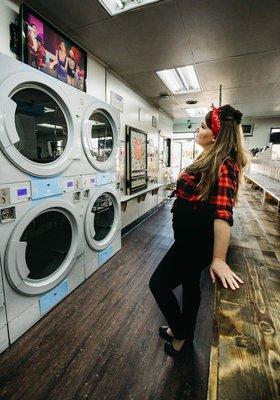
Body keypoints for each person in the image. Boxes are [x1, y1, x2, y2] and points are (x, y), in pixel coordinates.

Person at [149, 104, 249, 357]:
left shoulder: (225, 166)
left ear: (215, 135)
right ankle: (183, 332)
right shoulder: (209, 158)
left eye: (203, 126)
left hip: (195, 245)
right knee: (191, 285)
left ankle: (180, 332)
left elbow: (223, 213)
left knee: (159, 284)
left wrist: (219, 259)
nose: (198, 129)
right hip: (187, 240)